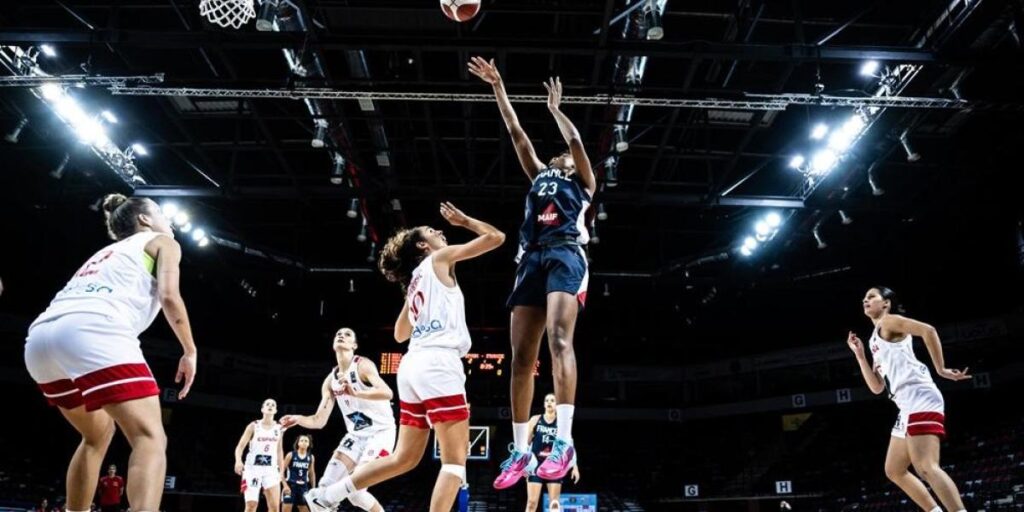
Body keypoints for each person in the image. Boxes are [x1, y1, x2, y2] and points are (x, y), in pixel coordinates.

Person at [303, 202, 505, 512]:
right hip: (438, 363)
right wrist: (464, 221)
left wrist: (414, 299)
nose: (439, 231)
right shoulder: (439, 258)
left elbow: (400, 333)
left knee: (405, 459)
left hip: (412, 367)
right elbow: (496, 237)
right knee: (454, 463)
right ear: (425, 246)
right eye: (431, 231)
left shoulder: (415, 281)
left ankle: (327, 496)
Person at [468, 57, 597, 489]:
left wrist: (556, 111)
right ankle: (522, 450)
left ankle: (564, 442)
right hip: (531, 258)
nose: (559, 155)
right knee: (521, 358)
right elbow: (516, 134)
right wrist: (499, 86)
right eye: (557, 155)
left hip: (565, 254)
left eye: (563, 155)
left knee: (560, 341)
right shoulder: (540, 175)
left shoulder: (582, 182)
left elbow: (576, 140)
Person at [24, 194, 197, 512]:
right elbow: (169, 296)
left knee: (96, 435)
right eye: (160, 213)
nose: (168, 221)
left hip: (40, 339)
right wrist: (190, 350)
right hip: (95, 330)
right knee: (150, 438)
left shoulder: (105, 252)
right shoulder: (162, 241)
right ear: (144, 220)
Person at [847, 286, 971, 512]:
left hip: (919, 396)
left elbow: (929, 331)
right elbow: (876, 387)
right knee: (894, 470)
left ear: (886, 303)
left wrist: (941, 369)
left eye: (872, 296)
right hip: (905, 405)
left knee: (926, 467)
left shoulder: (889, 321)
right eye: (864, 297)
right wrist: (860, 355)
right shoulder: (876, 337)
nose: (865, 300)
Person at [281, 328, 394, 512]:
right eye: (338, 334)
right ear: (334, 345)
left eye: (347, 334)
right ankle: (326, 500)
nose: (341, 335)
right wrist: (298, 418)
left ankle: (327, 499)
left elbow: (387, 393)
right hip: (356, 435)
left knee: (356, 491)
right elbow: (319, 421)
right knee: (325, 485)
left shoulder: (362, 365)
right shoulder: (330, 381)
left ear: (354, 345)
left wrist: (356, 392)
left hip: (381, 433)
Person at [524, 394, 580, 512]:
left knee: (554, 504)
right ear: (544, 404)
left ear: (557, 405)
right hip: (536, 464)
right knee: (531, 503)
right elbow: (525, 445)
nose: (549, 402)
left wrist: (575, 467)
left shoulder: (562, 423)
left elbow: (569, 446)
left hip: (554, 465)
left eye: (552, 400)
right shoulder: (535, 420)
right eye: (547, 400)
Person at [234, 399, 285, 512]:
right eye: (267, 404)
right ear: (262, 409)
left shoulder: (279, 428)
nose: (270, 406)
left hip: (271, 469)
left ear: (276, 410)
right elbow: (240, 446)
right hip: (253, 469)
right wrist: (238, 461)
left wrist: (281, 471)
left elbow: (279, 451)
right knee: (251, 505)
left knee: (275, 508)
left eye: (273, 405)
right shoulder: (253, 426)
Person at [281, 434, 316, 512]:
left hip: (303, 487)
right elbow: (281, 471)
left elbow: (312, 473)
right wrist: (285, 485)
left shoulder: (311, 457)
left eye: (306, 441)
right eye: (302, 440)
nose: (304, 442)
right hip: (291, 485)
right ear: (298, 443)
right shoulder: (291, 455)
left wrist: (313, 488)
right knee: (286, 509)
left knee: (305, 509)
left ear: (309, 444)